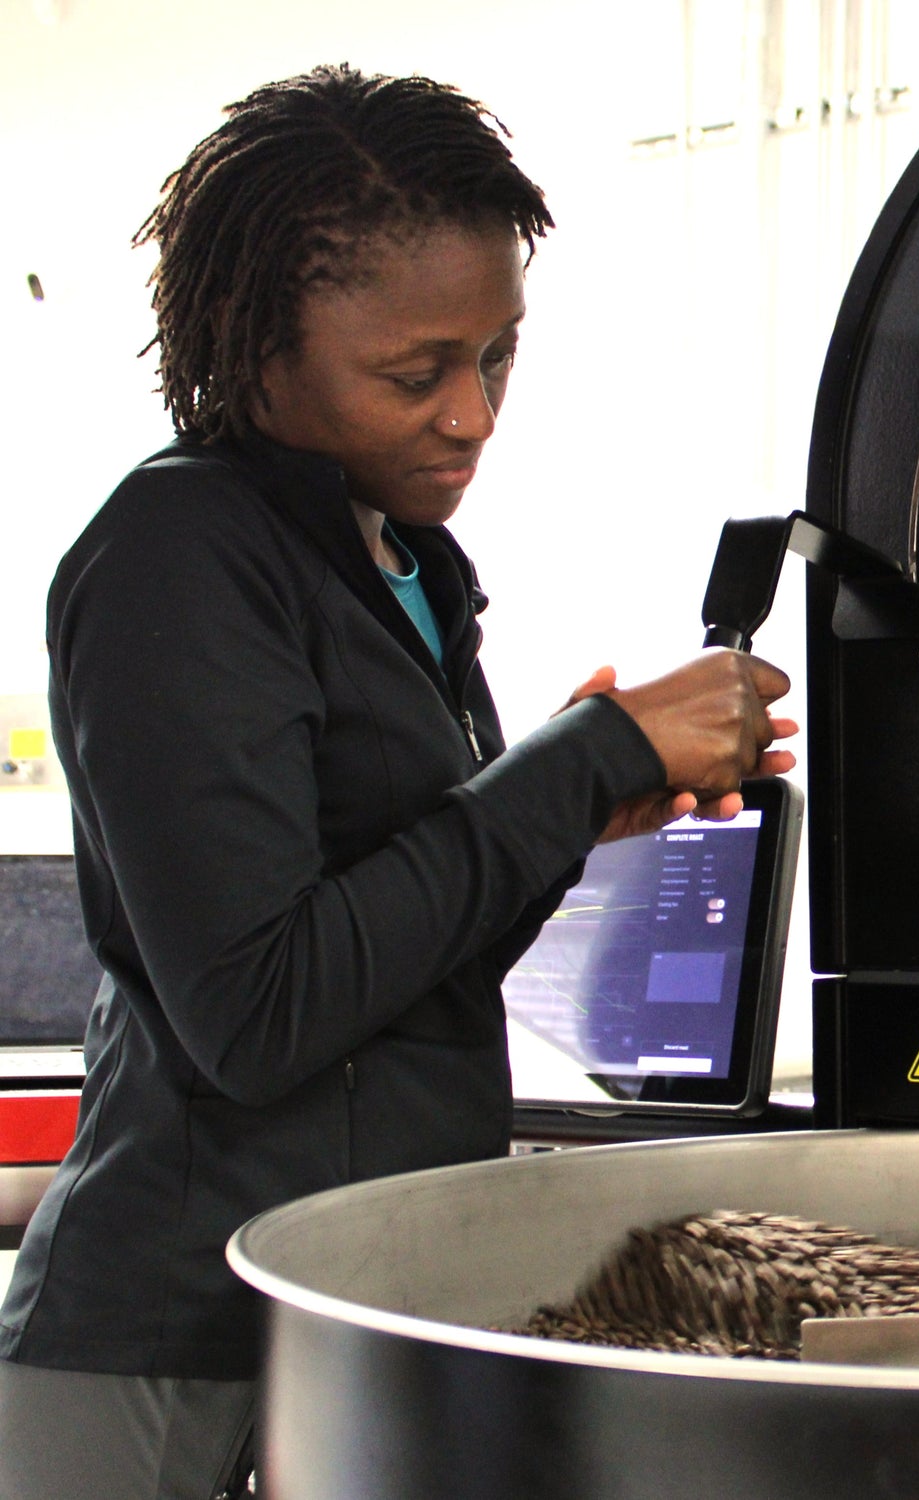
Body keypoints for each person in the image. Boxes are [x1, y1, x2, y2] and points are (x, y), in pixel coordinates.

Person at [0, 64, 795, 1499]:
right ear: (259, 353)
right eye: (416, 374)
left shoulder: (403, 565)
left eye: (499, 356)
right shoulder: (177, 554)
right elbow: (260, 1013)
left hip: (348, 1303)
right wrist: (582, 762)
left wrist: (570, 813)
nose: (474, 415)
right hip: (175, 1345)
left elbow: (403, 973)